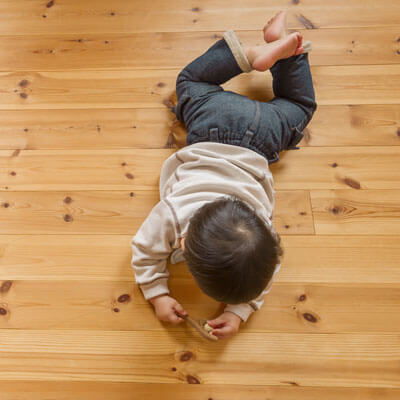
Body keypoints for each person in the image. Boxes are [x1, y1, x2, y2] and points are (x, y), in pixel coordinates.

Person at [131, 11, 317, 339]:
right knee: (191, 83)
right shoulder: (173, 216)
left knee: (299, 105)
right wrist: (158, 293)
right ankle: (256, 54)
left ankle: (278, 53)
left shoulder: (263, 231)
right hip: (212, 124)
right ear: (184, 243)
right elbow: (144, 251)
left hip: (265, 131)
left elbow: (269, 265)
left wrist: (159, 293)